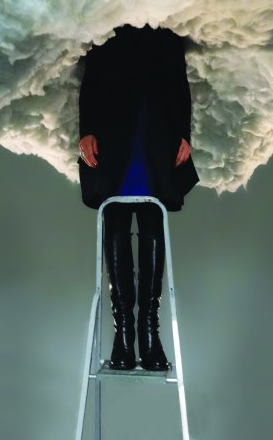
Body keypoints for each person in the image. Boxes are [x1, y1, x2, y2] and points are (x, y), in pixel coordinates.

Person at [78, 24, 198, 371]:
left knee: (152, 223)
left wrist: (184, 133)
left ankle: (149, 336)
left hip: (155, 131)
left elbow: (178, 82)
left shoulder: (166, 30)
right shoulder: (108, 23)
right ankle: (123, 337)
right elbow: (91, 76)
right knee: (115, 222)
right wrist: (86, 129)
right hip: (113, 131)